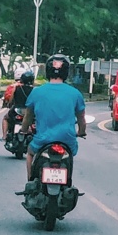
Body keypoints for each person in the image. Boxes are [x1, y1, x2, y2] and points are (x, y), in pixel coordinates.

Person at [24, 54, 88, 184]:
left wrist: (24, 130)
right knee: (69, 158)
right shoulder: (75, 93)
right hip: (67, 140)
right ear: (66, 72)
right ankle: (67, 180)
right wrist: (81, 132)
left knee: (30, 153)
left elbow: (28, 117)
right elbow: (81, 119)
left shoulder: (37, 92)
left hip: (43, 141)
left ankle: (30, 182)